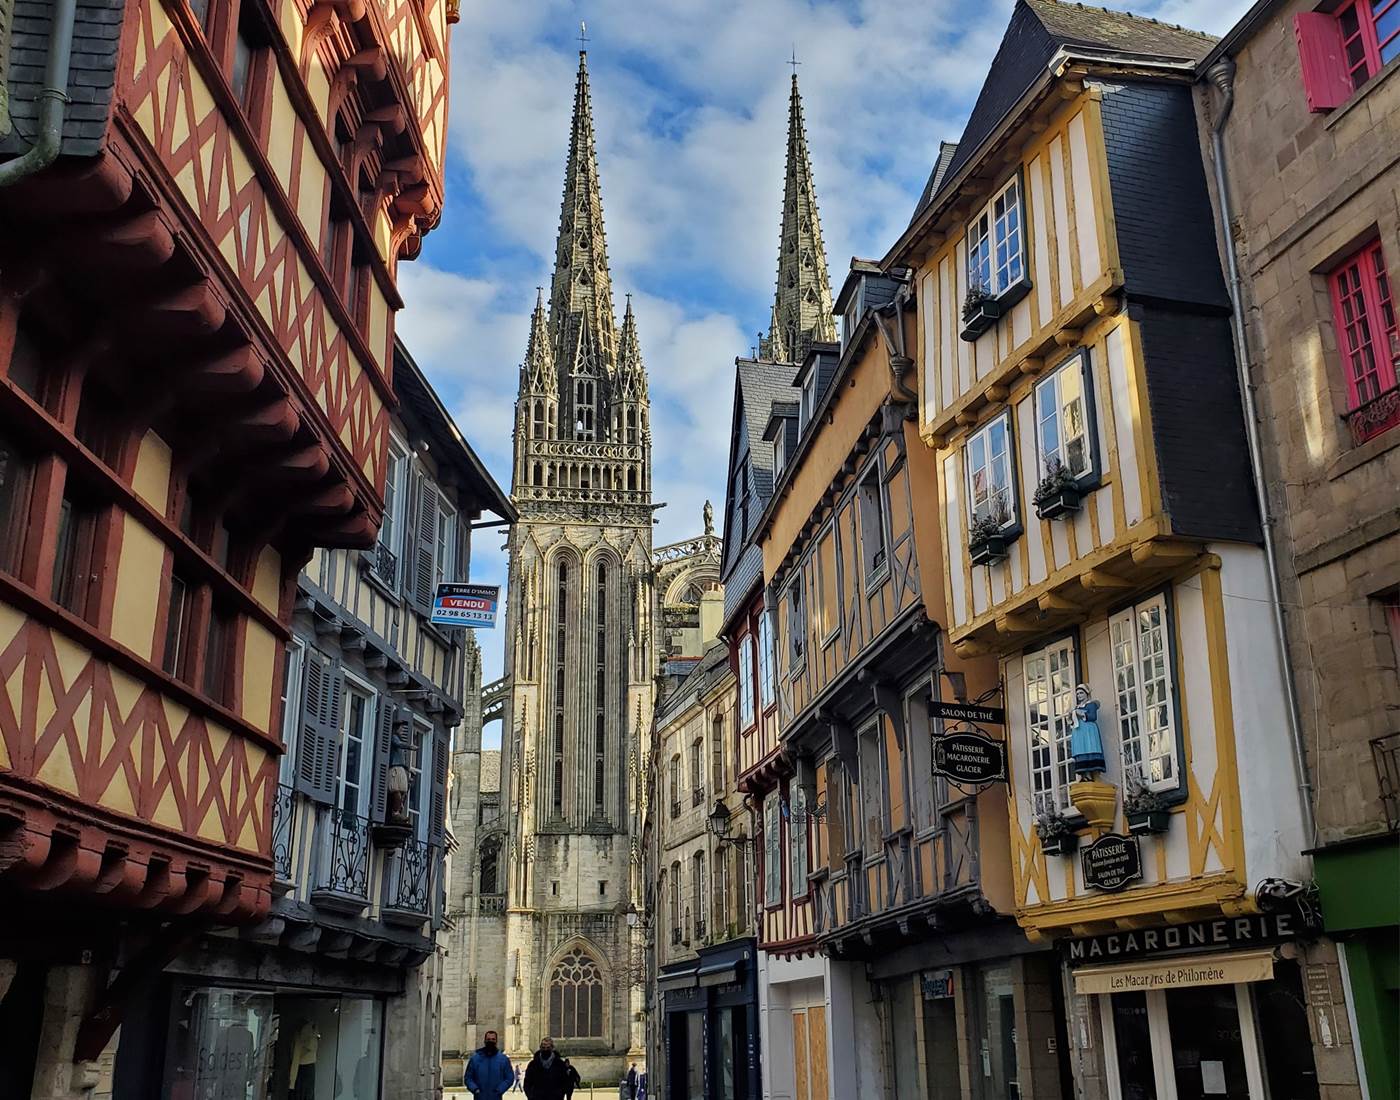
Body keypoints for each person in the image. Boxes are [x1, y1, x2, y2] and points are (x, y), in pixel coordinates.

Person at [465, 1030, 515, 1100]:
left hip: (496, 1097)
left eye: (493, 1039)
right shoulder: (475, 1059)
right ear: (484, 1041)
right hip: (479, 1097)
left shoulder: (503, 1059)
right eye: (488, 1039)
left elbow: (509, 1078)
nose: (490, 1041)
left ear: (496, 1041)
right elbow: (468, 1078)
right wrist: (475, 1089)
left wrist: (499, 1090)